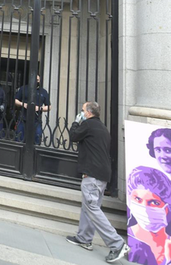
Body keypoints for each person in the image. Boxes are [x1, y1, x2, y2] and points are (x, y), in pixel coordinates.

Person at [66, 101, 129, 263]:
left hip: (92, 173)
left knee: (92, 207)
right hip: (102, 174)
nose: (81, 113)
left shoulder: (88, 125)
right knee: (90, 206)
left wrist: (75, 122)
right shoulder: (102, 128)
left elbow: (73, 136)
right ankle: (84, 238)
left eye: (82, 110)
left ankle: (117, 244)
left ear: (88, 113)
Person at [127, 166, 171, 265]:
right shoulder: (131, 242)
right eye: (138, 199)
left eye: (154, 202)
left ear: (168, 207)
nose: (144, 208)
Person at [14, 74, 50, 145]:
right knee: (19, 139)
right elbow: (16, 100)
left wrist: (39, 108)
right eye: (34, 80)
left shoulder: (43, 92)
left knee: (37, 139)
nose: (36, 82)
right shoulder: (23, 88)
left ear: (39, 81)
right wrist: (22, 104)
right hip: (23, 118)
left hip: (36, 120)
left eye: (37, 80)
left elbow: (49, 106)